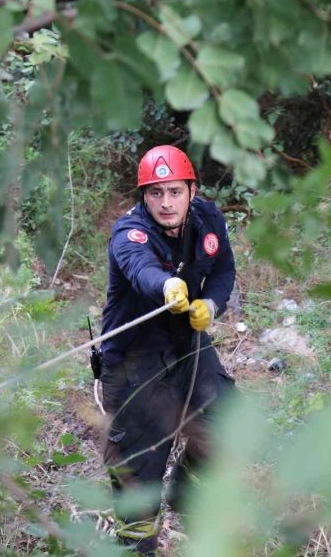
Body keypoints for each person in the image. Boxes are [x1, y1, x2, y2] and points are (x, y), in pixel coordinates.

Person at [99, 144, 237, 556]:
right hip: (133, 362)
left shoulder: (208, 219)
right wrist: (165, 286)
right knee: (137, 480)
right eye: (155, 193)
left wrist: (211, 304)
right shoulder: (129, 232)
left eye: (175, 191)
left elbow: (223, 269)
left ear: (192, 190)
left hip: (186, 345)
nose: (166, 202)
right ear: (143, 196)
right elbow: (139, 266)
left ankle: (186, 496)